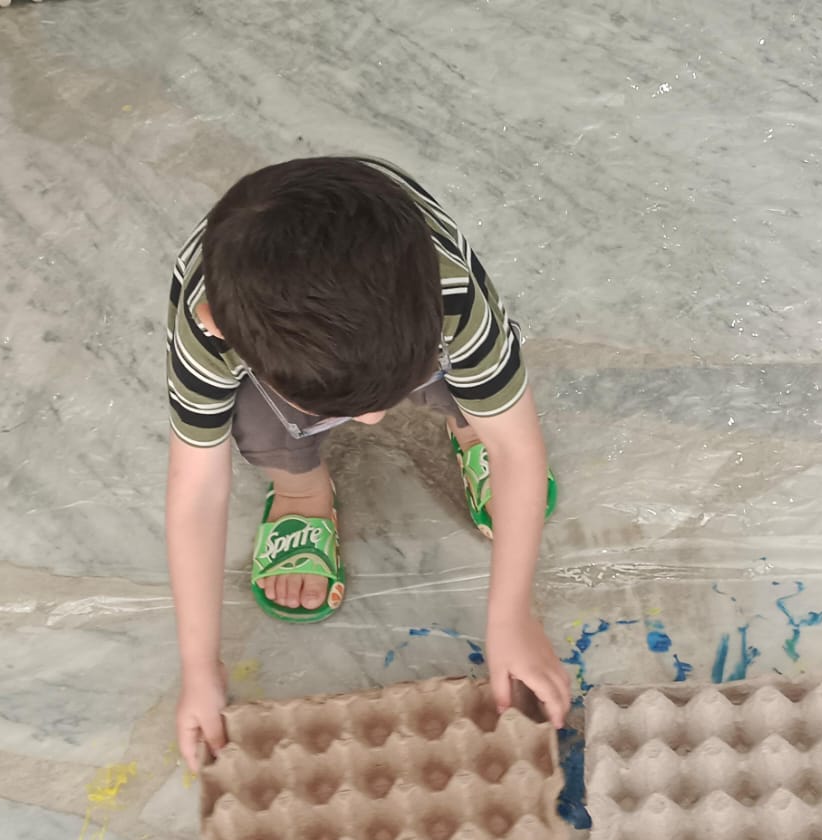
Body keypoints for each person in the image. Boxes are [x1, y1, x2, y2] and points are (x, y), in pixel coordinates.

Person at [165, 156, 571, 769]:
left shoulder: (449, 291)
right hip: (315, 348)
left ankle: (470, 432)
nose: (376, 422)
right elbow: (196, 488)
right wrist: (199, 666)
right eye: (353, 411)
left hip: (414, 323)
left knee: (478, 395)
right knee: (257, 414)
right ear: (217, 327)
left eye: (382, 402)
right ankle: (300, 491)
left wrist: (512, 616)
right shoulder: (205, 328)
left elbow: (518, 447)